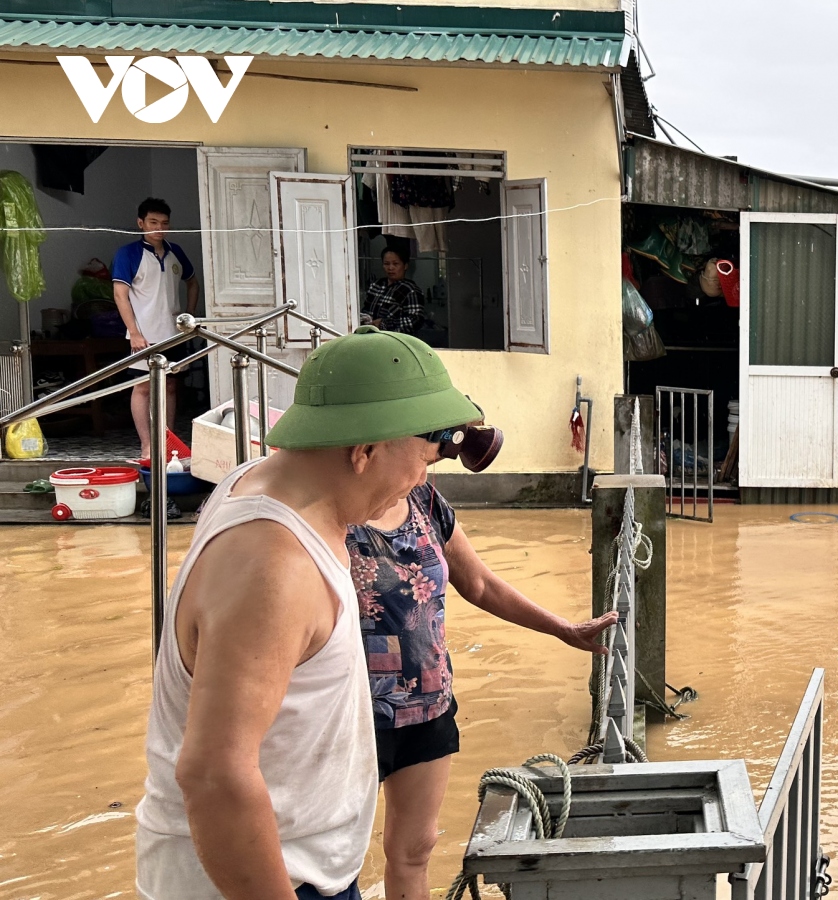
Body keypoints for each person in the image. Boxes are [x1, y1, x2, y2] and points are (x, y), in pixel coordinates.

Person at [135, 326, 487, 900]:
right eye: (421, 460)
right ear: (364, 451)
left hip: (302, 861)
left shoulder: (254, 483)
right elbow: (213, 773)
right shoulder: (275, 566)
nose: (422, 478)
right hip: (263, 878)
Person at [348, 478, 616, 900]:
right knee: (337, 859)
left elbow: (480, 585)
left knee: (415, 851)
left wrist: (563, 629)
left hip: (428, 706)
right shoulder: (332, 511)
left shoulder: (427, 502)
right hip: (351, 714)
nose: (434, 458)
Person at [112, 197, 200, 462]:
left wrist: (189, 317)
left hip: (173, 332)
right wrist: (134, 333)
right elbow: (119, 294)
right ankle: (148, 446)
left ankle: (167, 441)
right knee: (142, 387)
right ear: (141, 223)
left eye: (164, 223)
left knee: (170, 386)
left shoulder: (175, 252)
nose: (159, 227)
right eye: (153, 222)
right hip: (143, 334)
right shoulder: (128, 253)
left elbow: (193, 283)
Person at [362, 245, 426, 336]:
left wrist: (383, 324)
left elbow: (416, 321)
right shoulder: (376, 285)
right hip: (369, 337)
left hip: (396, 340)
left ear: (405, 266)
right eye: (386, 264)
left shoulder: (411, 290)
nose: (390, 268)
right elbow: (365, 309)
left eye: (395, 264)